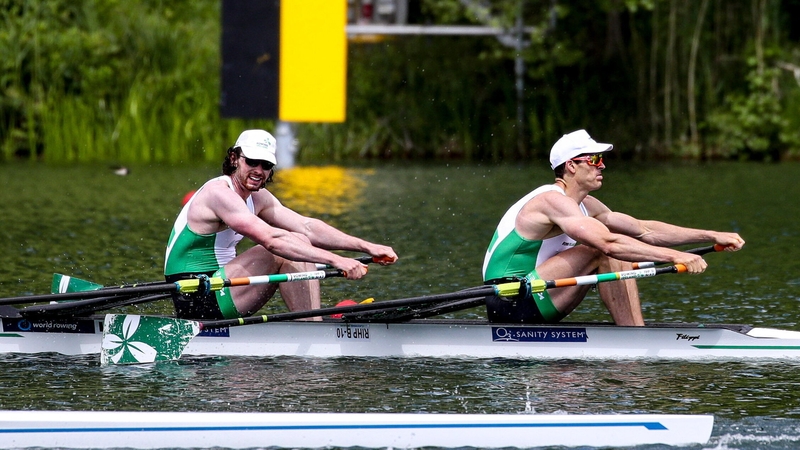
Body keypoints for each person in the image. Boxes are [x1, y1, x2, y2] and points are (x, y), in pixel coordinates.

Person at [482, 129, 745, 326]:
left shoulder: (588, 205)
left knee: (611, 250)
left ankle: (633, 333)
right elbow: (608, 244)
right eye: (594, 159)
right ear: (571, 166)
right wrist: (675, 256)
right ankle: (633, 339)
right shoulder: (550, 200)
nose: (602, 165)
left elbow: (644, 230)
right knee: (603, 250)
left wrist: (711, 235)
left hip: (537, 294)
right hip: (510, 299)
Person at [164, 129, 398, 320]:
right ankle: (313, 330)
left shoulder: (258, 198)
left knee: (300, 239)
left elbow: (307, 226)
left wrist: (367, 247)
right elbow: (272, 241)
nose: (259, 170)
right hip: (194, 296)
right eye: (252, 161)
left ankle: (311, 326)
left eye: (266, 165)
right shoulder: (218, 193)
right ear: (234, 159)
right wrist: (336, 260)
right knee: (284, 249)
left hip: (223, 287)